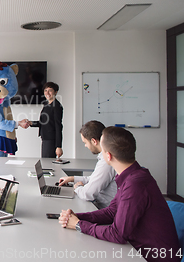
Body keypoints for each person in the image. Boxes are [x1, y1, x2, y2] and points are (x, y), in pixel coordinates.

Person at [58, 127, 180, 262]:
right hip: (138, 250)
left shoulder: (135, 183)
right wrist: (76, 217)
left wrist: (79, 225)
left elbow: (118, 234)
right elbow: (111, 212)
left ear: (108, 156)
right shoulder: (132, 176)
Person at [58, 120, 116, 209]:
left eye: (85, 143)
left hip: (101, 208)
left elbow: (87, 194)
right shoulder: (106, 157)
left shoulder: (106, 162)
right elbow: (94, 179)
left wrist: (78, 187)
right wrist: (72, 178)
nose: (85, 146)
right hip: (99, 205)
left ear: (94, 141)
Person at [29, 82, 63, 158]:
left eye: (50, 90)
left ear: (56, 92)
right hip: (45, 138)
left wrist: (58, 146)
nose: (47, 93)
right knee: (45, 163)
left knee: (47, 164)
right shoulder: (46, 104)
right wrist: (31, 123)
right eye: (45, 90)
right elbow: (43, 122)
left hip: (51, 139)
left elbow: (58, 126)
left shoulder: (57, 106)